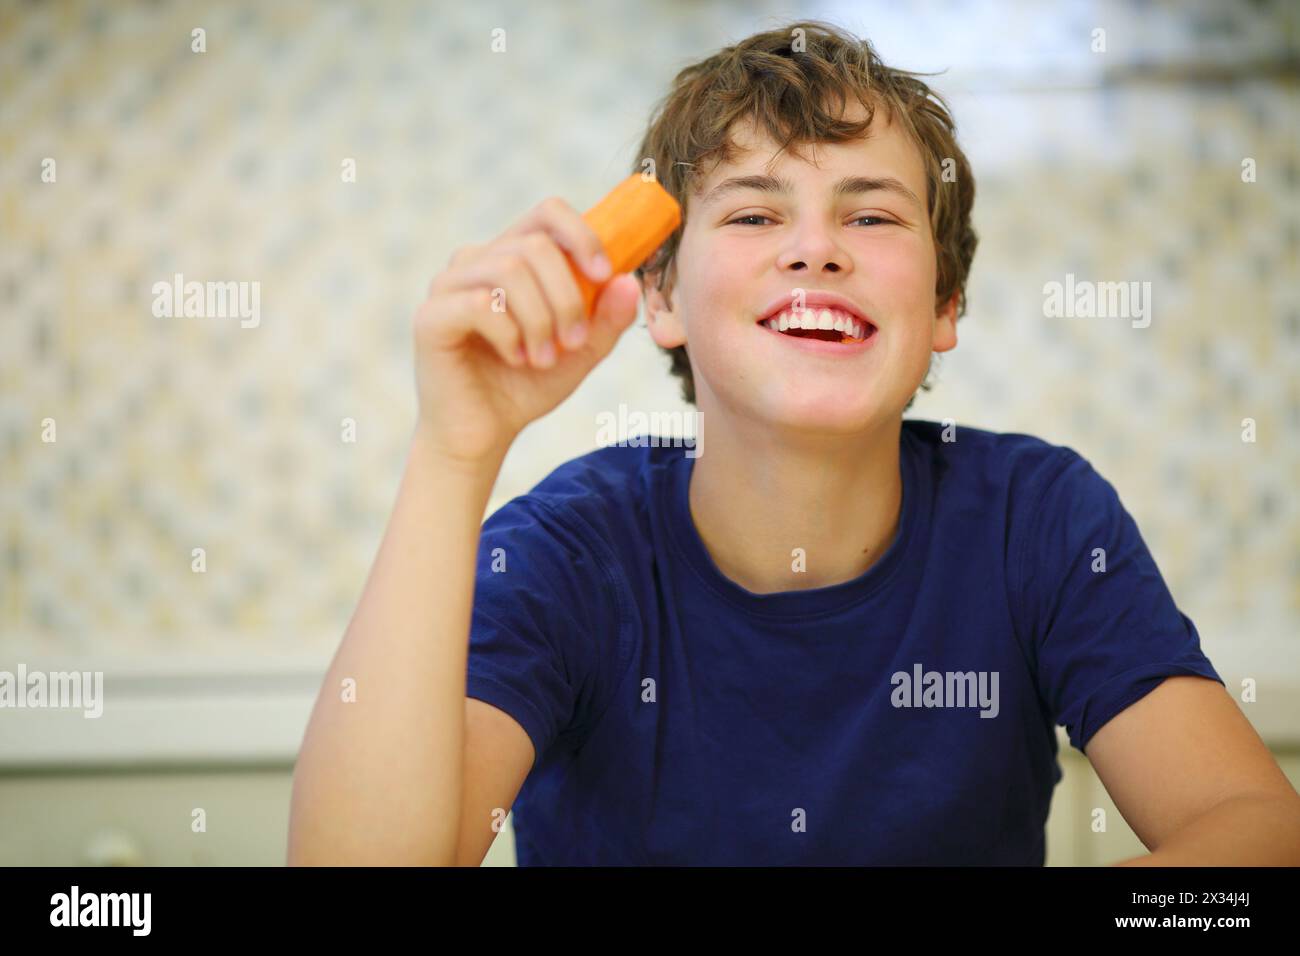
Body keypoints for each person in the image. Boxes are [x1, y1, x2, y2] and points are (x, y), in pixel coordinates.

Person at [288, 20, 1300, 866]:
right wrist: (456, 449)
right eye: (755, 211)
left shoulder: (1036, 518)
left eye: (869, 214)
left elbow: (1256, 830)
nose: (816, 246)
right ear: (662, 294)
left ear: (945, 302)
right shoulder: (570, 551)